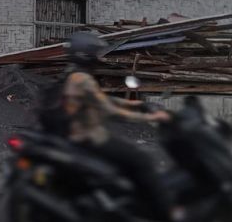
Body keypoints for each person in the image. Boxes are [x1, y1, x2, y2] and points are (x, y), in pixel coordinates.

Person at [62, 31, 177, 221]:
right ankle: (164, 213)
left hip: (79, 136)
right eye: (96, 53)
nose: (99, 57)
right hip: (90, 138)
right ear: (87, 54)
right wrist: (150, 116)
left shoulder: (74, 75)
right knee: (141, 159)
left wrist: (136, 103)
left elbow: (101, 100)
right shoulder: (82, 80)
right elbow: (109, 110)